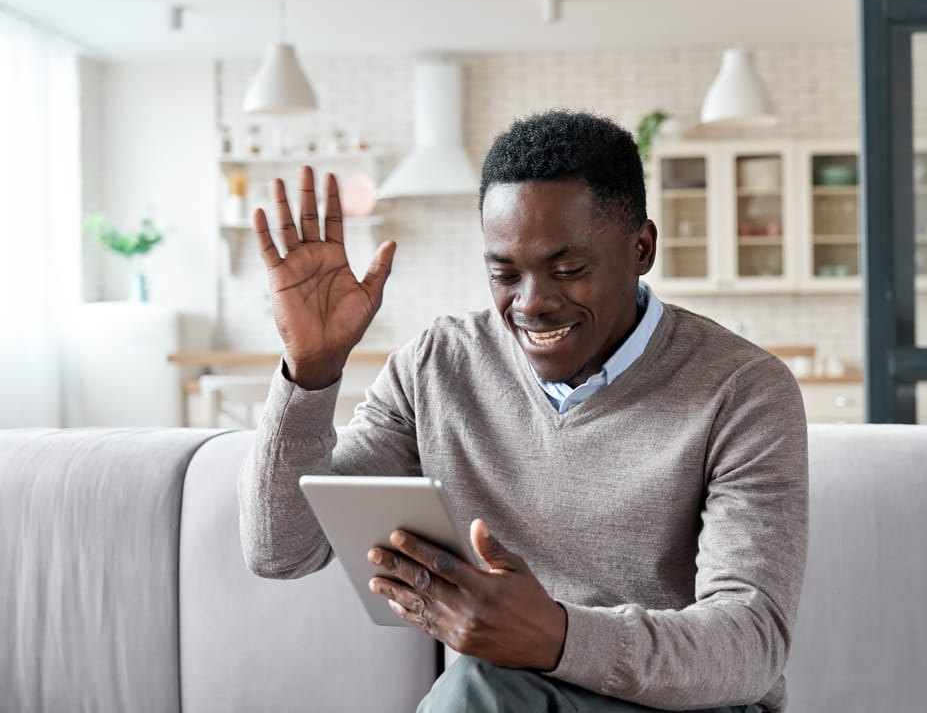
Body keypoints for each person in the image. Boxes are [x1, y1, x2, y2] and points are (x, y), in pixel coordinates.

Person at [238, 110, 808, 712]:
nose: (532, 304)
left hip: (689, 705)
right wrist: (310, 370)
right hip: (509, 698)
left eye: (569, 270)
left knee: (474, 688)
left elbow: (751, 643)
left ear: (641, 248)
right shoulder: (437, 366)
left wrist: (557, 637)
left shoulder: (743, 388)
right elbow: (282, 550)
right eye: (505, 274)